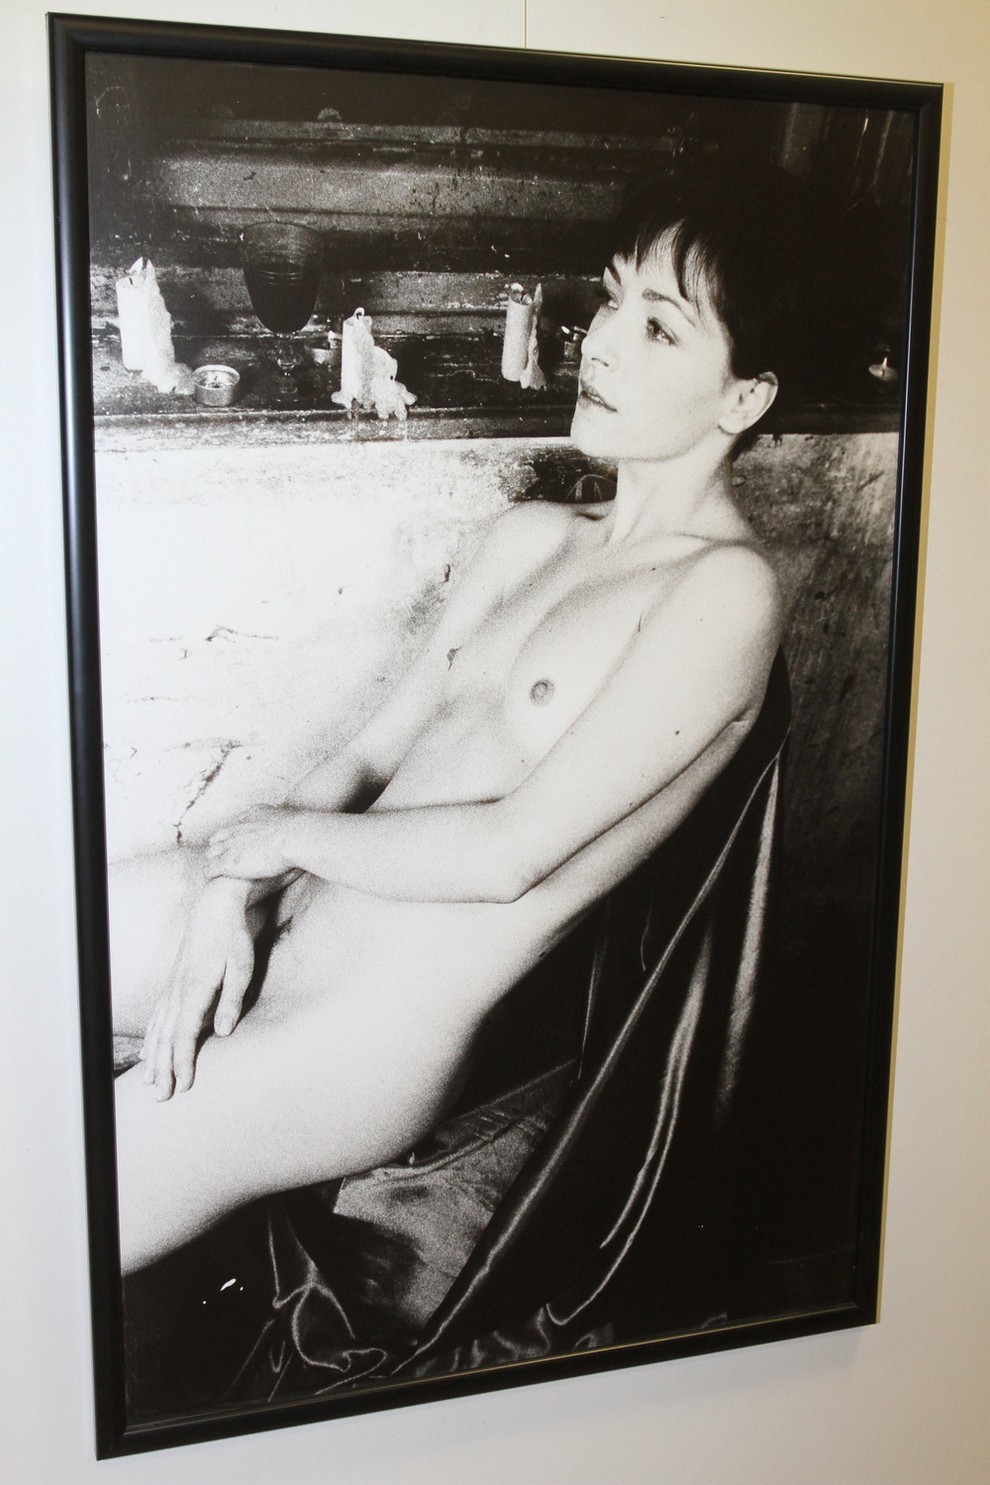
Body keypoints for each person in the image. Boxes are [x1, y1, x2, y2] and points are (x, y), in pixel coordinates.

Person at [109, 166, 796, 1295]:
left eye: (659, 328)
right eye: (611, 298)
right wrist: (232, 888)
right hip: (286, 903)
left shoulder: (728, 593)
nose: (600, 342)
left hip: (356, 1031)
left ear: (745, 398)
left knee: (49, 1205)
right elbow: (367, 755)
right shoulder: (534, 535)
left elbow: (507, 854)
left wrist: (261, 842)